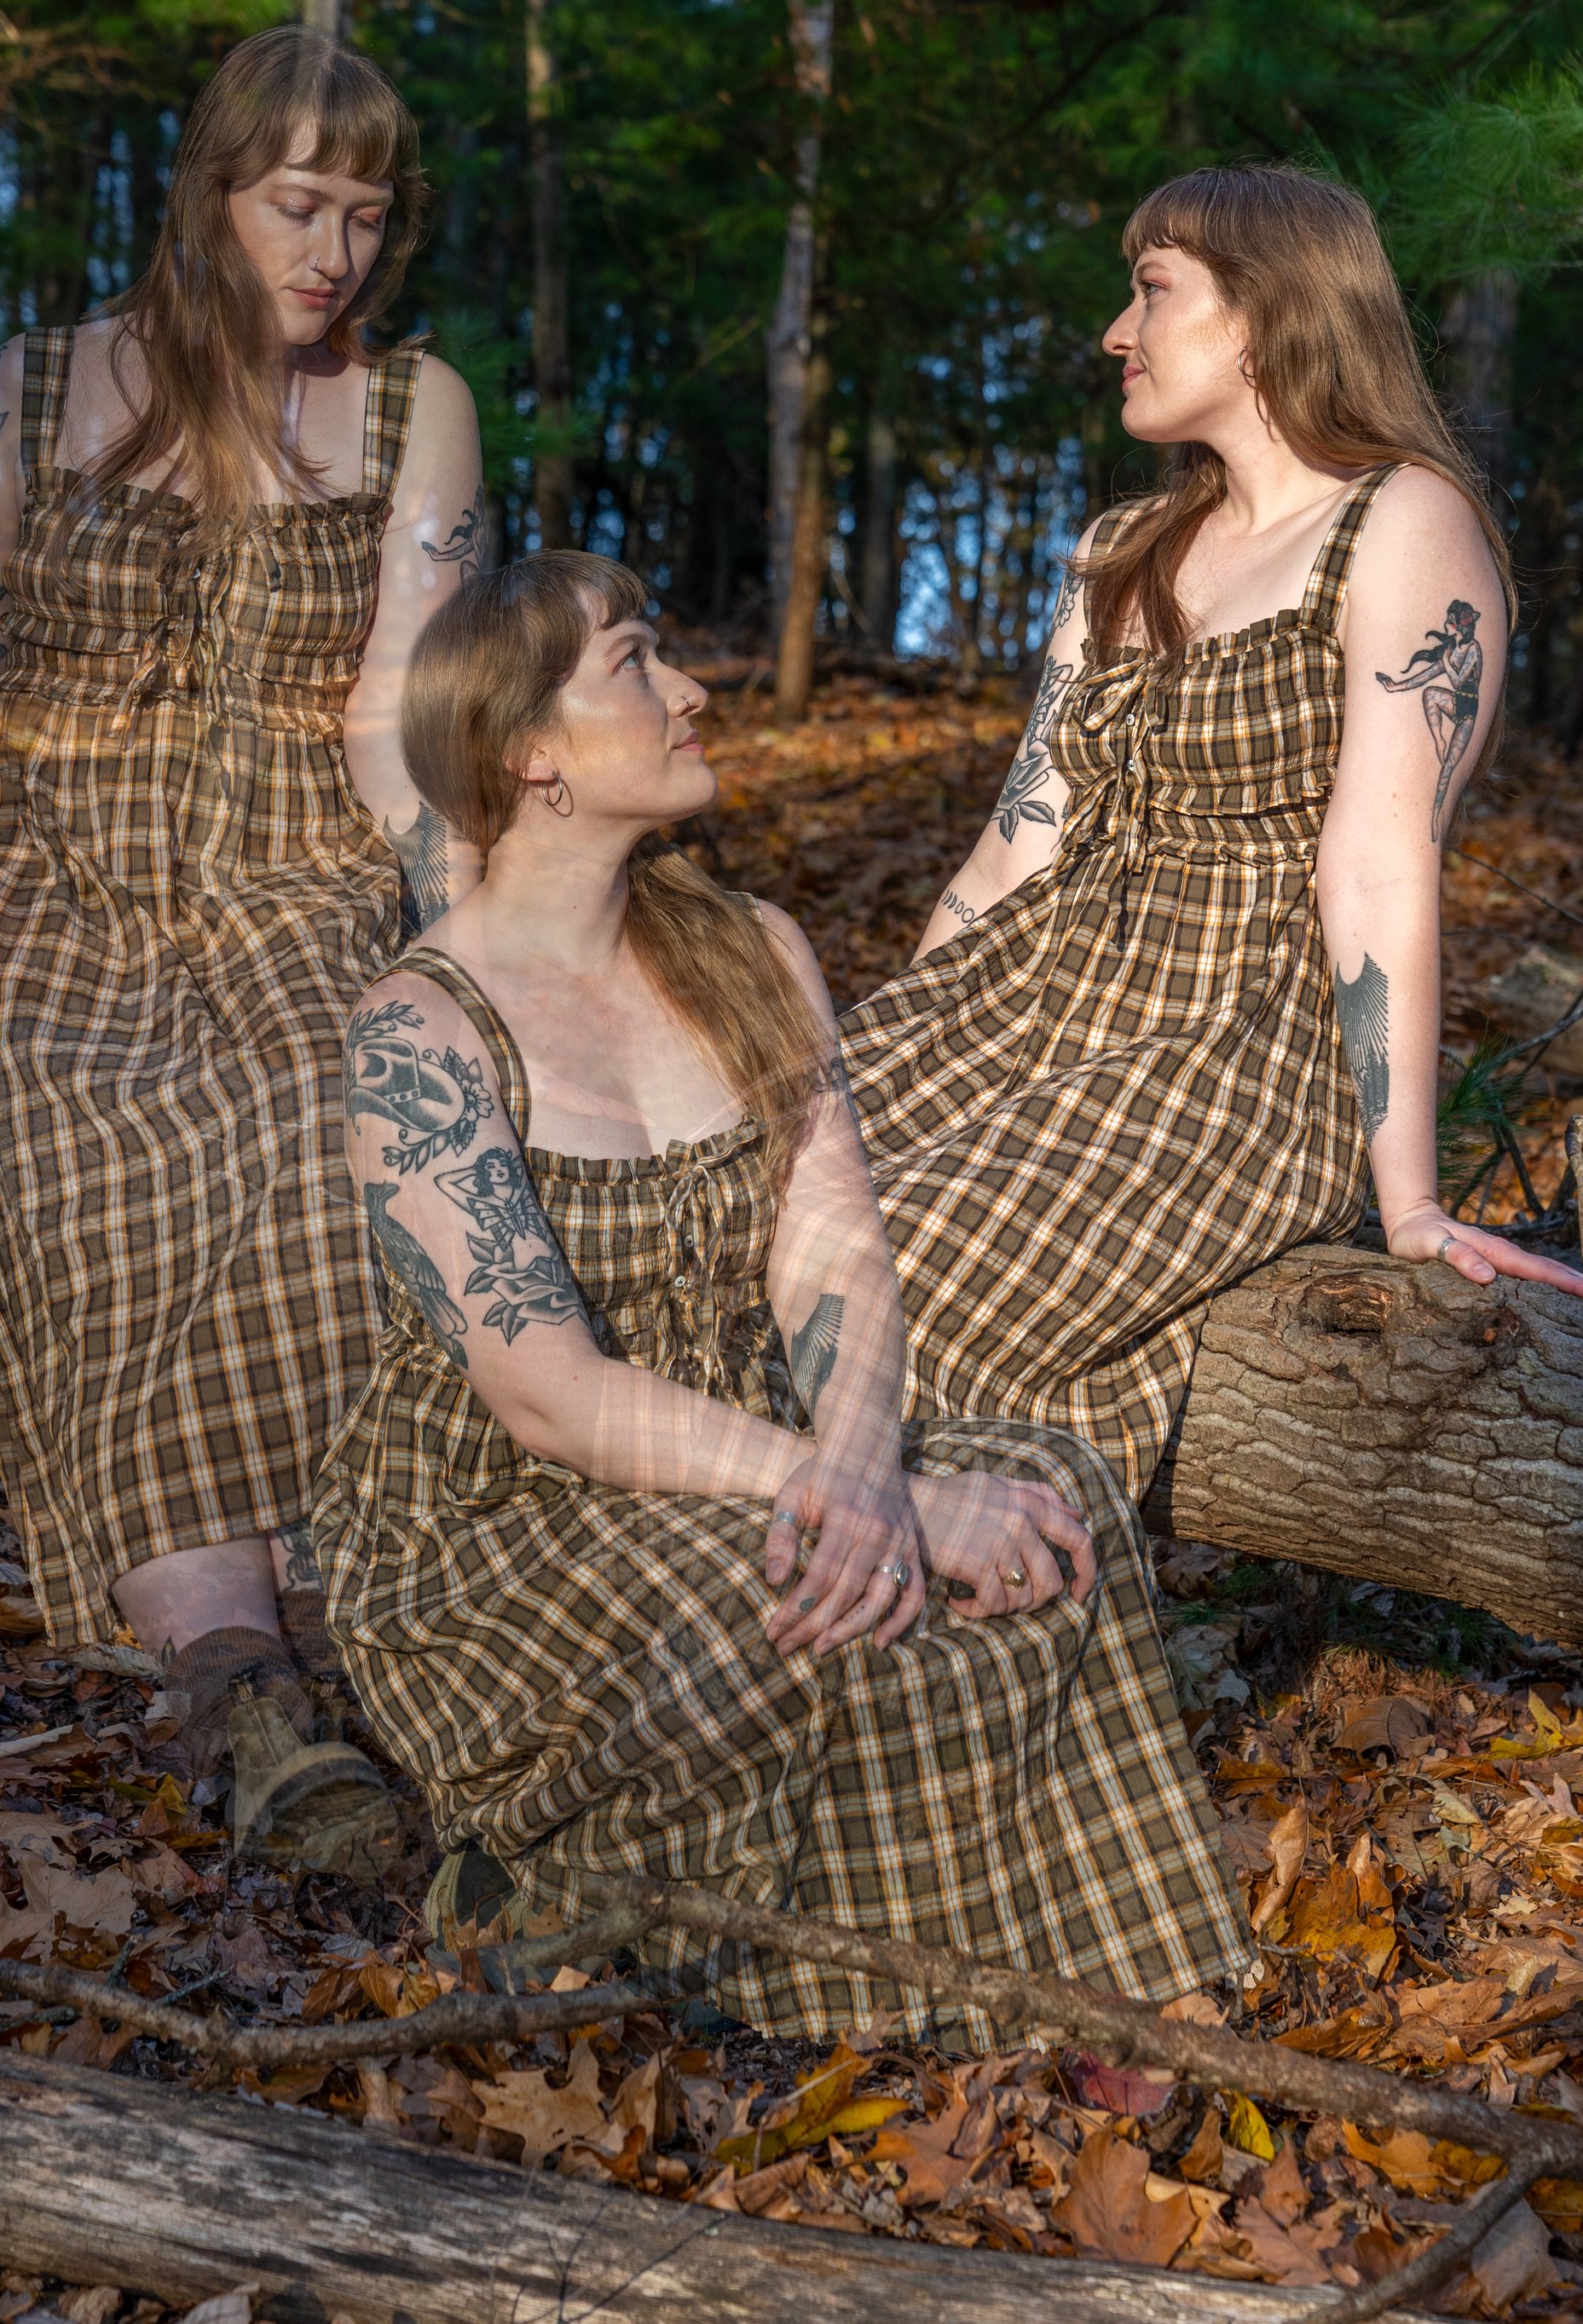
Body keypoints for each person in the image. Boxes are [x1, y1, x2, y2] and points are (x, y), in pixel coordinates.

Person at [313, 552, 1255, 2039]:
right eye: (634, 661)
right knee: (797, 1607)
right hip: (499, 1521)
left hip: (751, 1445)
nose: (690, 689)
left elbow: (836, 1252)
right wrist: (852, 1501)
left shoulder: (755, 949)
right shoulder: (422, 1030)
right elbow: (546, 1392)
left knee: (1051, 1487)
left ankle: (1119, 1985)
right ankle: (567, 1908)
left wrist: (873, 1472)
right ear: (528, 751)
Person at [0, 26, 486, 1875]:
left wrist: (474, 945)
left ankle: (329, 1672)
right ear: (208, 192)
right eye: (294, 205)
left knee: (328, 1157)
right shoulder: (35, 385)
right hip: (45, 885)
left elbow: (399, 714)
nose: (332, 253)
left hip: (294, 876)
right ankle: (241, 1677)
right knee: (92, 1157)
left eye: (367, 217)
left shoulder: (413, 409)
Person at [840, 165, 1583, 1508]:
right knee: (746, 1180)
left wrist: (1411, 1202)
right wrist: (903, 1032)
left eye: (1150, 290)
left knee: (886, 1275)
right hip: (1028, 996)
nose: (1115, 332)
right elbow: (1011, 852)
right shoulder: (1124, 547)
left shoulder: (1402, 521)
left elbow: (1376, 865)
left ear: (1261, 315)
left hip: (1234, 1038)